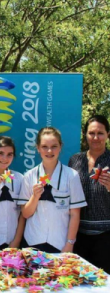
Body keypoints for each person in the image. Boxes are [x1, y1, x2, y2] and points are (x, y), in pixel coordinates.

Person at [18, 127, 87, 253]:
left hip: (59, 244)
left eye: (54, 146)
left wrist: (69, 243)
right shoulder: (29, 176)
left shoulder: (71, 175)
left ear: (60, 147)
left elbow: (75, 214)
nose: (49, 151)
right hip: (32, 243)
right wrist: (35, 196)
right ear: (38, 148)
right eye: (44, 146)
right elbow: (25, 214)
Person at [68, 115, 110, 273]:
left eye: (100, 133)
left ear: (108, 135)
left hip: (105, 237)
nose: (96, 137)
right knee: (79, 282)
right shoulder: (75, 160)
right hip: (78, 234)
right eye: (91, 133)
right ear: (85, 134)